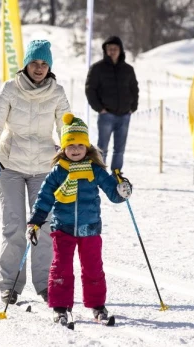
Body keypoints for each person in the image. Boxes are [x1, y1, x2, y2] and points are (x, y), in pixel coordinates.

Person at [0, 39, 71, 305]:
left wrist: (70, 155)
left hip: (43, 169)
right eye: (35, 62)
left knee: (43, 227)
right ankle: (10, 285)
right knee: (15, 226)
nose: (39, 68)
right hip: (10, 166)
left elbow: (67, 127)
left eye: (44, 64)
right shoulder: (11, 89)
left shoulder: (57, 92)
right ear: (26, 64)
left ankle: (45, 285)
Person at [26, 113, 133, 326]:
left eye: (80, 145)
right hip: (63, 228)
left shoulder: (95, 170)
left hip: (90, 228)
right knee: (61, 268)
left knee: (93, 268)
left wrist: (122, 190)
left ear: (87, 147)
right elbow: (45, 197)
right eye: (71, 145)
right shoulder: (58, 172)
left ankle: (97, 306)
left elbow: (113, 193)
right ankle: (60, 306)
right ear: (63, 148)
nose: (75, 149)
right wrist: (36, 221)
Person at [85, 36, 139, 172]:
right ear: (105, 51)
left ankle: (116, 174)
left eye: (115, 49)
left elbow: (134, 88)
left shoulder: (128, 69)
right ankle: (99, 173)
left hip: (125, 115)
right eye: (110, 49)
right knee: (102, 147)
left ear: (120, 50)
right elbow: (90, 89)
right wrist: (99, 108)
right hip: (106, 114)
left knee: (119, 149)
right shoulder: (97, 68)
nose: (112, 51)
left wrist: (133, 107)